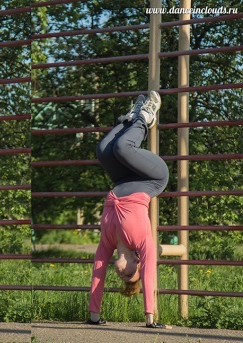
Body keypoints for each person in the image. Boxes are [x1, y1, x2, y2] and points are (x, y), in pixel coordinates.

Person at [88, 91, 171, 329]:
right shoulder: (142, 241)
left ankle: (130, 118)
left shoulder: (108, 242)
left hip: (122, 181)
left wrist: (94, 316)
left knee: (104, 149)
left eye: (122, 278)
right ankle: (146, 116)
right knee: (123, 148)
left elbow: (97, 273)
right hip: (153, 178)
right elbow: (149, 275)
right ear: (138, 262)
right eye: (130, 275)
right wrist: (150, 318)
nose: (123, 275)